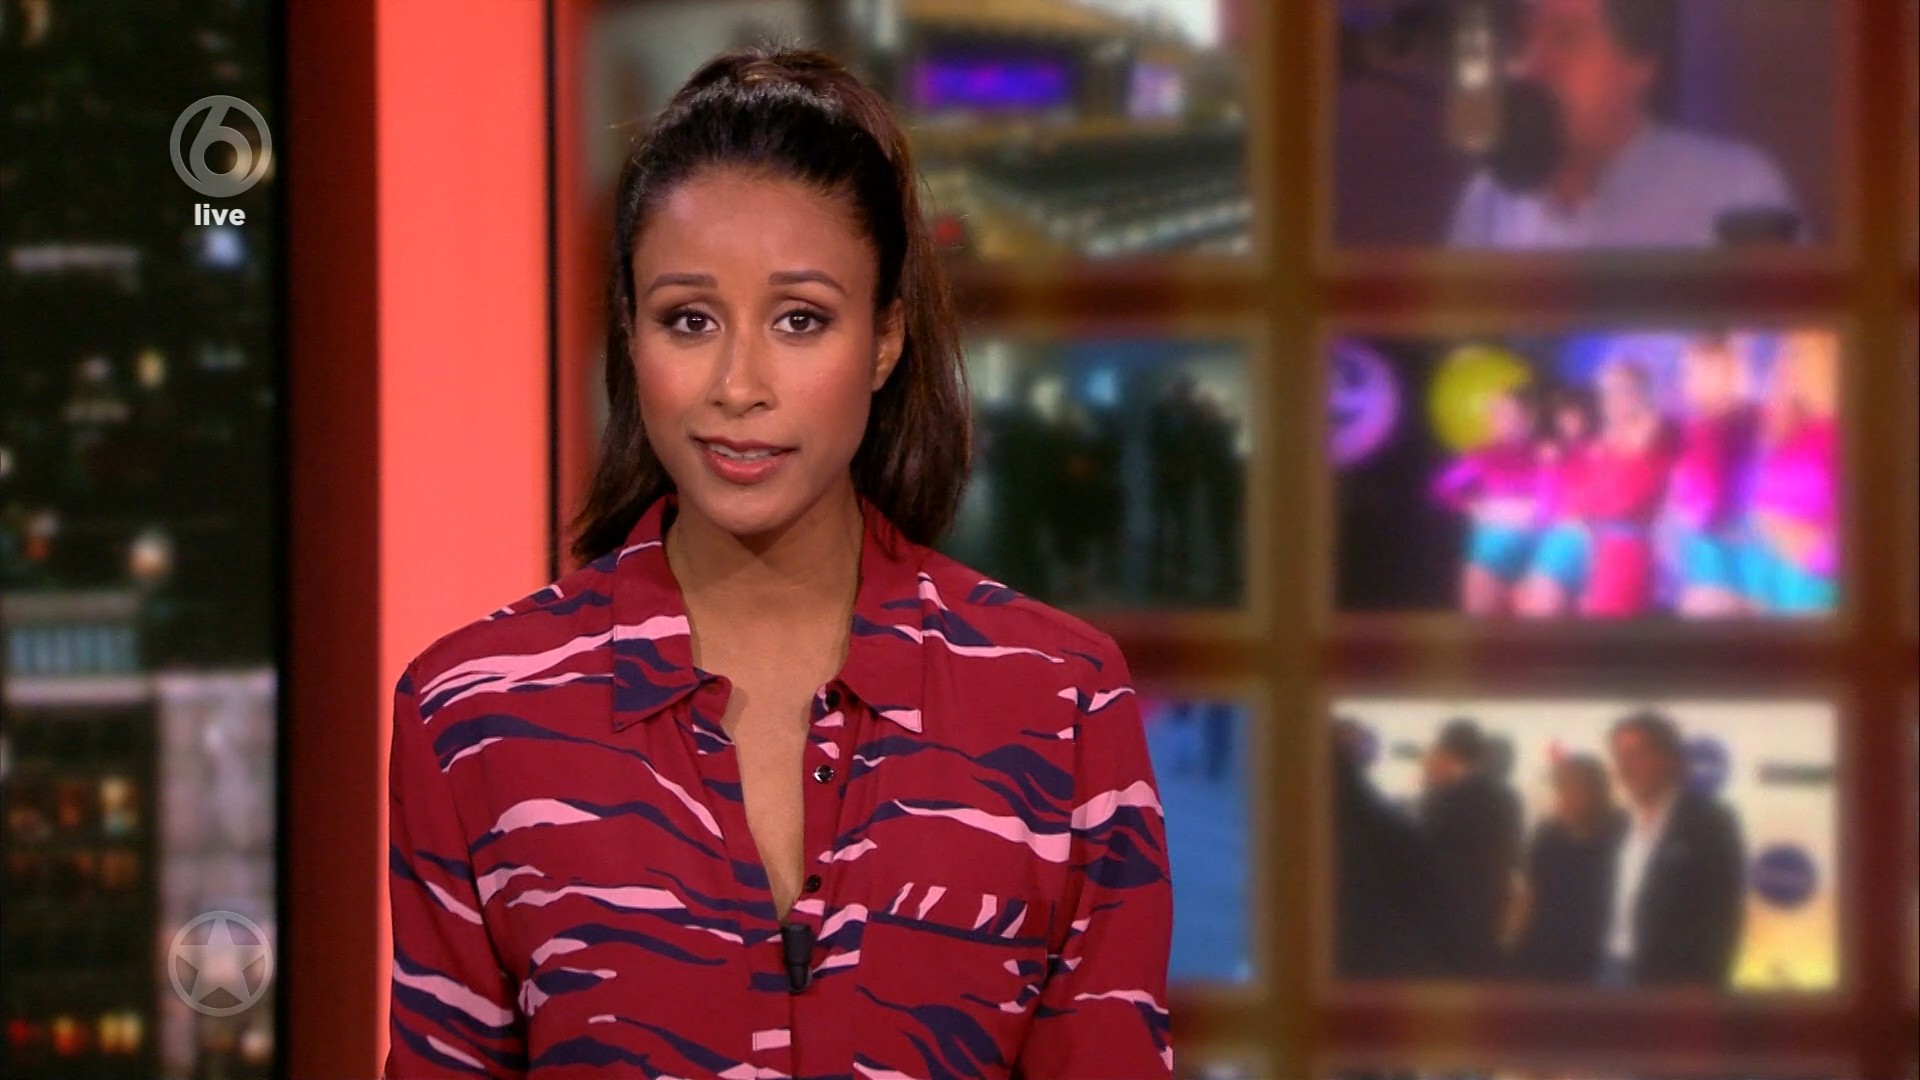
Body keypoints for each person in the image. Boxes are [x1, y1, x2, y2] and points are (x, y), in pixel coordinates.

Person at [384, 47, 1174, 1079]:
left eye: (801, 320)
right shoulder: (474, 717)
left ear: (884, 339)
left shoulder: (1059, 703)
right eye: (689, 320)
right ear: (630, 334)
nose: (738, 384)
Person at [1448, 0, 1802, 250]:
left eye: (1566, 37)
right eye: (1521, 42)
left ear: (1639, 63)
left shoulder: (1736, 189)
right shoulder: (1488, 201)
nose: (1531, 67)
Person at [1598, 710, 1746, 987]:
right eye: (1619, 756)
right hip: (1607, 970)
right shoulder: (1616, 824)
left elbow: (1722, 917)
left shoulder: (1709, 822)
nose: (1624, 768)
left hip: (1669, 980)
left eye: (1636, 755)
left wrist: (1704, 987)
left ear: (1667, 758)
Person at [1739, 330, 1839, 615]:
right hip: (1768, 573)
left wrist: (1796, 541)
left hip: (1812, 583)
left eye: (1798, 356)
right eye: (1786, 358)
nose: (1789, 368)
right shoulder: (1793, 427)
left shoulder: (1842, 430)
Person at [1417, 718, 1524, 976]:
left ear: (1445, 752)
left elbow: (1423, 860)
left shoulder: (1441, 798)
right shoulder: (1507, 797)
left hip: (1446, 919)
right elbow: (1513, 857)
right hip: (1490, 915)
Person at [1667, 334, 1760, 616]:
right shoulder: (1701, 425)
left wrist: (1688, 511)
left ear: (1724, 372)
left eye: (1694, 372)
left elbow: (1705, 503)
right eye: (1686, 373)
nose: (1687, 382)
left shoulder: (1715, 427)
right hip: (1721, 547)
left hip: (1724, 548)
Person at [1510, 754, 1626, 981]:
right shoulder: (1547, 833)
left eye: (1574, 787)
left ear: (1598, 790)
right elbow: (1529, 893)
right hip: (1543, 949)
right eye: (1561, 787)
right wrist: (1511, 940)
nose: (1564, 795)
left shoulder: (1623, 831)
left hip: (1600, 954)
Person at [1430, 384, 1542, 616]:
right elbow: (1440, 489)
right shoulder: (1483, 455)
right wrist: (1472, 506)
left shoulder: (1544, 456)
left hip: (1535, 561)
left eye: (1510, 414)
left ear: (1528, 418)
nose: (1503, 421)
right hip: (1490, 558)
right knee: (1484, 635)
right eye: (1498, 414)